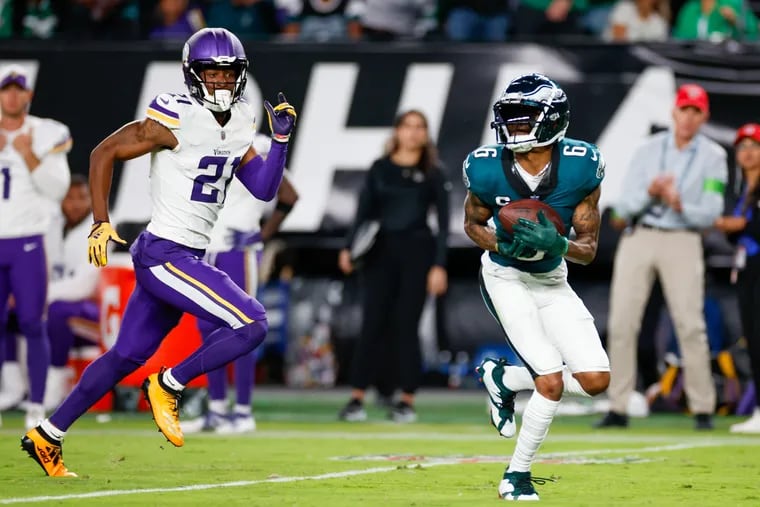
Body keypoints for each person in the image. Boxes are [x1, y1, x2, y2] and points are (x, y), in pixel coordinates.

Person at [20, 27, 296, 477]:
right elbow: (102, 153)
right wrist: (100, 221)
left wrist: (280, 142)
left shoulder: (244, 120)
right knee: (252, 322)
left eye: (230, 74)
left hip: (183, 255)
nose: (223, 83)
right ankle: (169, 384)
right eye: (213, 73)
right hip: (166, 254)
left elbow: (264, 189)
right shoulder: (175, 117)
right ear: (193, 75)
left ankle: (47, 435)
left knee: (125, 355)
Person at [465, 73, 609, 501]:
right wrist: (502, 239)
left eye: (524, 119)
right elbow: (472, 224)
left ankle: (504, 379)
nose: (514, 128)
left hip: (551, 279)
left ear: (553, 121)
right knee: (550, 380)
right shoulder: (486, 166)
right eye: (510, 118)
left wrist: (559, 243)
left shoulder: (582, 165)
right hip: (504, 275)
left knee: (597, 379)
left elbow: (589, 249)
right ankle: (516, 475)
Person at [597, 84, 726, 430]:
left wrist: (679, 202)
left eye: (696, 111)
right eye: (684, 109)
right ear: (674, 112)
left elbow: (712, 212)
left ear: (704, 117)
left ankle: (702, 408)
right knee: (623, 322)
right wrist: (652, 194)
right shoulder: (648, 150)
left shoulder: (714, 156)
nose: (688, 117)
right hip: (641, 234)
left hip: (683, 238)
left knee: (690, 325)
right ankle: (618, 405)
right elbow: (624, 206)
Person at [337, 109, 450, 423]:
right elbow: (363, 211)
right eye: (407, 126)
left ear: (426, 134)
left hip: (417, 252)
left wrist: (439, 265)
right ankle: (357, 397)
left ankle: (406, 399)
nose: (413, 133)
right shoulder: (380, 168)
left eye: (419, 127)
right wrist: (348, 247)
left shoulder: (433, 172)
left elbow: (442, 224)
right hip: (380, 251)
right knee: (372, 322)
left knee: (406, 325)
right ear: (397, 131)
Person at [183, 133, 299, 434]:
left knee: (244, 327)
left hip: (238, 249)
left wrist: (262, 234)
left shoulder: (257, 144)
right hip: (205, 246)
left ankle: (244, 412)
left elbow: (289, 195)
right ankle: (218, 410)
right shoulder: (200, 139)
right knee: (208, 329)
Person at [0, 64, 72, 430]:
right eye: (6, 90)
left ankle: (37, 405)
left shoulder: (44, 132)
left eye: (18, 89)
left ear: (28, 95)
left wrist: (28, 155)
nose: (11, 96)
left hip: (27, 240)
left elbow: (58, 189)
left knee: (32, 321)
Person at [714, 123, 760, 433]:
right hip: (747, 269)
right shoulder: (741, 188)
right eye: (742, 146)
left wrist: (739, 225)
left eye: (754, 145)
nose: (747, 152)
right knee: (752, 338)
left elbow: (749, 228)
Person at [43, 175, 101, 411]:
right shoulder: (52, 226)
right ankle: (14, 385)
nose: (76, 204)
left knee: (58, 312)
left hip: (94, 313)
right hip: (55, 302)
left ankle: (55, 383)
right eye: (70, 198)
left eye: (82, 198)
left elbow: (84, 286)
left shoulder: (101, 227)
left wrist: (38, 296)